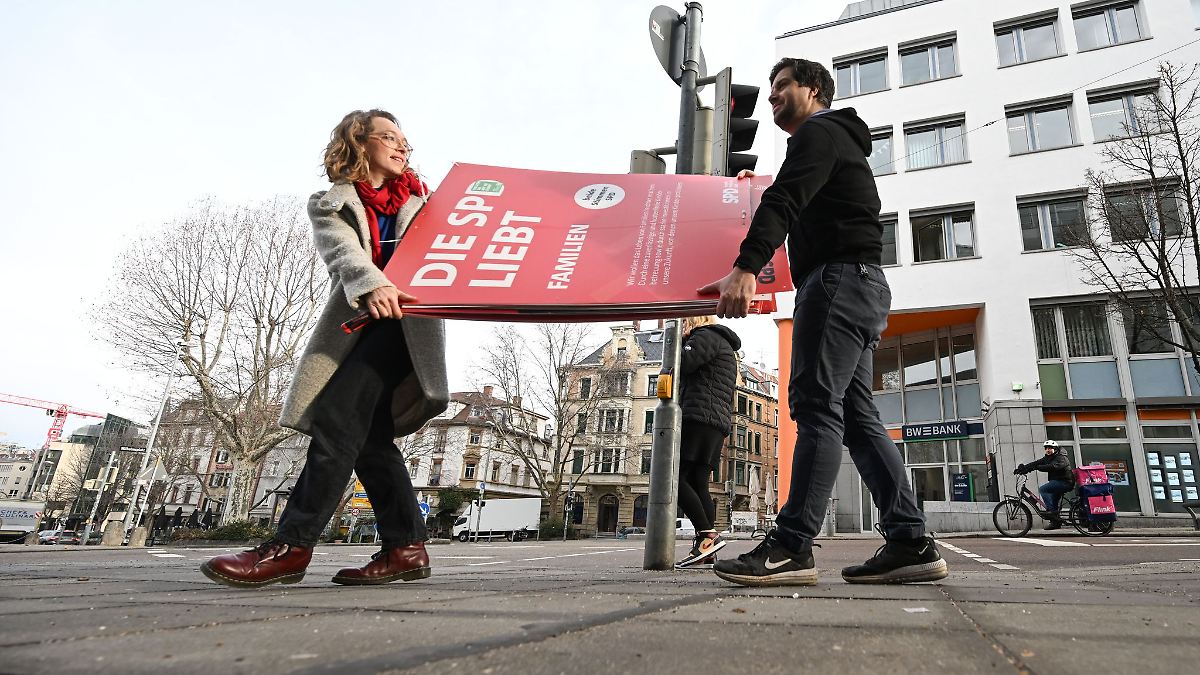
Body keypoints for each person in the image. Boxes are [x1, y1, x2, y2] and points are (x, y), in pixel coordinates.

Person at [699, 58, 947, 586]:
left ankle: (791, 545)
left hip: (836, 283)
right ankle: (909, 541)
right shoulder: (836, 142)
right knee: (856, 418)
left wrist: (745, 268)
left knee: (815, 406)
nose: (772, 99)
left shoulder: (818, 133)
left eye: (782, 87)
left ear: (813, 90)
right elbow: (797, 196)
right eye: (770, 91)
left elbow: (785, 200)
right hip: (861, 285)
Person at [201, 109, 449, 588]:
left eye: (406, 141)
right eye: (388, 137)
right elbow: (343, 252)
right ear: (359, 143)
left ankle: (291, 546)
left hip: (409, 327)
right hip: (364, 321)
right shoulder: (331, 203)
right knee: (369, 440)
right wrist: (371, 283)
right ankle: (405, 547)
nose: (402, 147)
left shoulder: (429, 200)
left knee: (336, 426)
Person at [674, 316, 741, 568]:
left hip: (699, 417)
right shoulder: (721, 343)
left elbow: (684, 363)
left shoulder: (705, 336)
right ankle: (706, 549)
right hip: (714, 421)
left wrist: (677, 344)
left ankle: (708, 536)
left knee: (675, 480)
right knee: (697, 482)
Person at [1015, 440, 1074, 530]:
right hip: (1057, 482)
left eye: (1050, 448)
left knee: (1043, 489)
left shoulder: (1061, 457)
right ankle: (1055, 522)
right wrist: (1024, 468)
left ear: (1055, 449)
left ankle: (1051, 512)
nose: (1048, 450)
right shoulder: (1048, 458)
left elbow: (1052, 466)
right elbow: (1036, 463)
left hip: (1065, 482)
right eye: (1046, 448)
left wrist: (1037, 468)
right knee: (1053, 501)